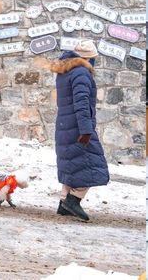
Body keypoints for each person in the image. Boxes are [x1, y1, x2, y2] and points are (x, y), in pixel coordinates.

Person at [50, 38, 109, 222]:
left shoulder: (66, 71)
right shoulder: (82, 73)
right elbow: (82, 103)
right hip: (78, 126)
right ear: (88, 58)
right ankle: (74, 200)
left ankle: (63, 203)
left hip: (65, 125)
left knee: (72, 164)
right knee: (92, 165)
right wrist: (86, 130)